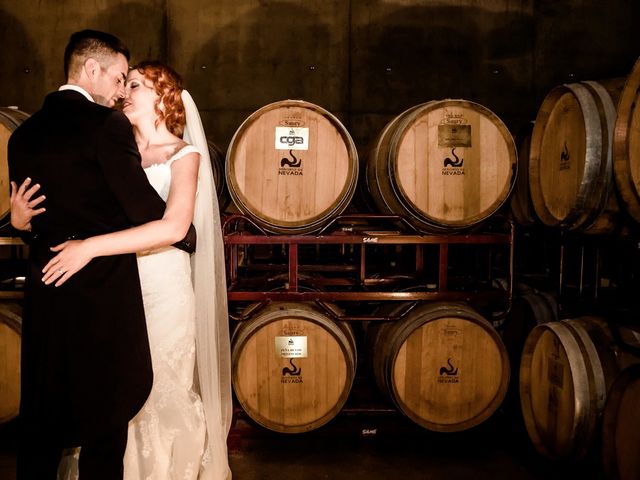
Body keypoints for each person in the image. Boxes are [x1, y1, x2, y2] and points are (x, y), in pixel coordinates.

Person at [12, 61, 232, 479]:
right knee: (108, 389)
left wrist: (89, 248)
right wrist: (20, 221)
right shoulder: (113, 143)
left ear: (163, 96)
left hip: (163, 286)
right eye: (123, 82)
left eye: (134, 84)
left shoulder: (184, 155)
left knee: (159, 389)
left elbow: (174, 227)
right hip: (112, 286)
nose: (124, 92)